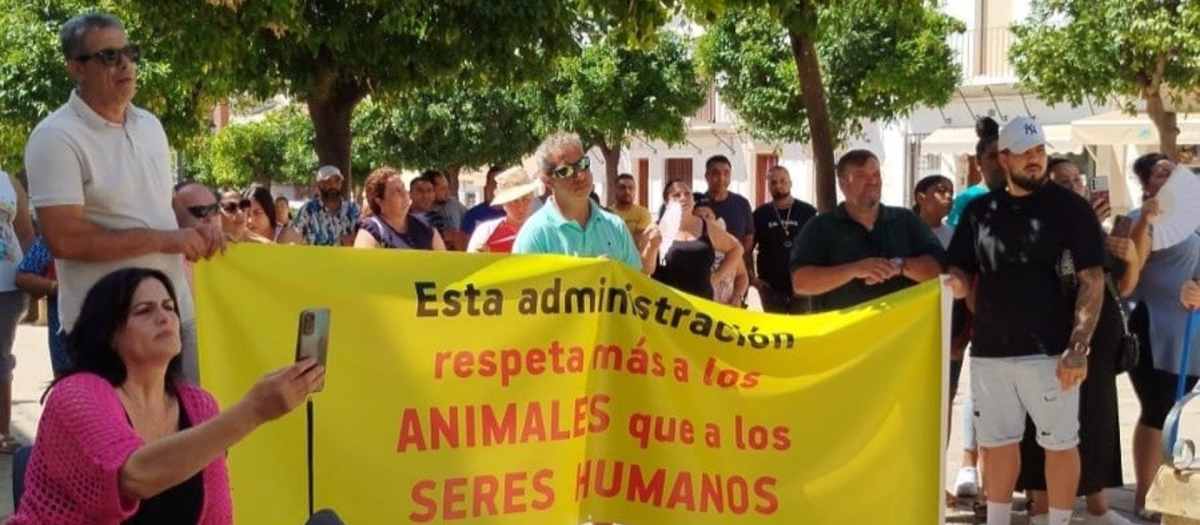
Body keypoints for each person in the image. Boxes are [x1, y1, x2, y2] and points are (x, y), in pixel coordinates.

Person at [9, 268, 323, 524]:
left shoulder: (198, 405)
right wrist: (253, 410)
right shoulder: (77, 395)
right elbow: (133, 476)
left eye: (169, 307)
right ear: (109, 333)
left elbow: (216, 517)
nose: (164, 317)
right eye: (144, 311)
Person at [23, 13, 222, 387]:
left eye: (130, 52)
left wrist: (195, 225)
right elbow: (64, 239)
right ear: (76, 69)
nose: (126, 63)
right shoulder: (55, 137)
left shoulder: (150, 124)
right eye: (110, 56)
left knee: (193, 431)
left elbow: (162, 200)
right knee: (126, 444)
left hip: (176, 310)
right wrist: (166, 240)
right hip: (108, 330)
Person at [946, 116, 1105, 525]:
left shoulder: (1071, 208)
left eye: (1039, 151)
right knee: (997, 444)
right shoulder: (980, 210)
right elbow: (961, 270)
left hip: (1052, 350)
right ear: (1004, 158)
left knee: (1060, 443)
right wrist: (954, 284)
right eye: (1024, 153)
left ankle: (1059, 522)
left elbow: (1091, 279)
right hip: (991, 351)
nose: (1035, 161)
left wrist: (1078, 346)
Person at [1018, 158, 1143, 525]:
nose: (1073, 185)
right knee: (1041, 420)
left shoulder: (1095, 229)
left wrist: (1132, 257)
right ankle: (1042, 507)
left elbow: (1121, 286)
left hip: (1097, 342)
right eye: (1063, 180)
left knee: (1097, 418)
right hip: (1047, 336)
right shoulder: (1034, 224)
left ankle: (1098, 506)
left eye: (1077, 179)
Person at [1125, 152, 1200, 521]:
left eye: (1173, 171)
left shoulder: (1196, 219)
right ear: (1146, 184)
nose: (1169, 177)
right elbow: (1130, 273)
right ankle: (1145, 495)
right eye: (1160, 173)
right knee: (1156, 412)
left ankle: (1177, 493)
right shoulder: (1138, 221)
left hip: (1193, 326)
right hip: (1153, 325)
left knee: (1181, 412)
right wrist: (1147, 223)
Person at [790, 150, 946, 313]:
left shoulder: (907, 220)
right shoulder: (819, 227)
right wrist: (854, 270)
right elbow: (801, 283)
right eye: (862, 175)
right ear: (843, 184)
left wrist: (898, 266)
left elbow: (938, 270)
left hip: (901, 334)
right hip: (845, 334)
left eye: (876, 174)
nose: (873, 181)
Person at [513, 132, 658, 275]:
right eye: (566, 171)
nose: (580, 176)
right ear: (547, 180)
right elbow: (523, 294)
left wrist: (650, 249)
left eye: (583, 164)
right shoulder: (535, 234)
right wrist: (587, 274)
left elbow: (634, 281)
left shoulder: (615, 226)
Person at [951, 116, 1004, 501]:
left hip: (1013, 309)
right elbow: (959, 257)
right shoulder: (968, 201)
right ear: (980, 159)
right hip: (974, 304)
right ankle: (968, 463)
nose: (1000, 161)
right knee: (976, 387)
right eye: (992, 155)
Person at [650, 181, 744, 303]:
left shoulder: (707, 227)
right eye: (676, 195)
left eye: (687, 194)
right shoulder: (656, 230)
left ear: (693, 199)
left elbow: (736, 249)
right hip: (667, 308)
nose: (683, 198)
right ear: (666, 202)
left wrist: (717, 276)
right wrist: (651, 247)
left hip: (700, 309)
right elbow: (645, 270)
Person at [750, 166, 817, 314]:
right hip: (770, 288)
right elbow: (747, 248)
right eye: (773, 182)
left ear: (790, 183)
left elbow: (819, 247)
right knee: (775, 333)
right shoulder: (760, 215)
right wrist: (752, 278)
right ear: (768, 186)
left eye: (782, 181)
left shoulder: (808, 212)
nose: (778, 185)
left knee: (801, 333)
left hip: (802, 286)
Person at [0, 171, 33, 453]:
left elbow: (24, 233)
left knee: (1, 358)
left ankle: (2, 431)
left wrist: (33, 274)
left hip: (7, 285)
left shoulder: (9, 183)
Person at [697, 155, 754, 301]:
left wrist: (732, 263)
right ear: (706, 176)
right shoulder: (698, 204)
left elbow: (748, 240)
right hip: (703, 279)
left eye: (726, 173)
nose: (721, 178)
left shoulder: (741, 204)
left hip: (735, 277)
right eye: (715, 173)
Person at [354, 167, 446, 251]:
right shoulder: (371, 232)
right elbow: (361, 266)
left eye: (403, 187)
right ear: (379, 201)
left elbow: (444, 262)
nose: (404, 193)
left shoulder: (426, 227)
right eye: (397, 191)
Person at [16, 236, 68, 378]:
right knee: (67, 389)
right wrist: (57, 288)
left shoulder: (122, 226)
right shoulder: (56, 233)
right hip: (64, 339)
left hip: (116, 337)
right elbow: (23, 276)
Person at [947, 117, 1005, 228]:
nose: (999, 162)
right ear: (978, 161)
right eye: (992, 156)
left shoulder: (1021, 196)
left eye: (1004, 155)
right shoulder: (966, 199)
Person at [466, 168, 540, 253]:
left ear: (532, 199)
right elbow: (473, 262)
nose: (520, 207)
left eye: (526, 200)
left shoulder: (543, 232)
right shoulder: (486, 232)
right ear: (504, 203)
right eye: (514, 201)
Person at [694, 205, 749, 306]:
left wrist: (738, 296)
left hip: (726, 309)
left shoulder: (732, 244)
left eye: (707, 216)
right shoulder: (691, 245)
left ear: (715, 217)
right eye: (699, 217)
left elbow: (742, 275)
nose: (705, 220)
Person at [292, 166, 360, 246]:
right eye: (328, 181)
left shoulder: (353, 209)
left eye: (337, 181)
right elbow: (294, 237)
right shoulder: (308, 210)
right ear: (319, 184)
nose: (333, 185)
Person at [460, 167, 507, 244]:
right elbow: (462, 246)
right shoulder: (472, 215)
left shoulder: (515, 214)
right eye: (495, 182)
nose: (498, 186)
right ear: (487, 185)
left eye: (503, 183)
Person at [427, 170, 468, 251]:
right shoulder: (419, 210)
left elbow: (454, 237)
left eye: (447, 188)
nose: (448, 192)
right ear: (431, 189)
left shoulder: (452, 204)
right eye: (443, 189)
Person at [610, 173, 652, 238]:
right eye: (622, 188)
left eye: (631, 188)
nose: (627, 191)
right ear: (615, 190)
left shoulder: (643, 213)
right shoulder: (607, 214)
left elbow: (639, 241)